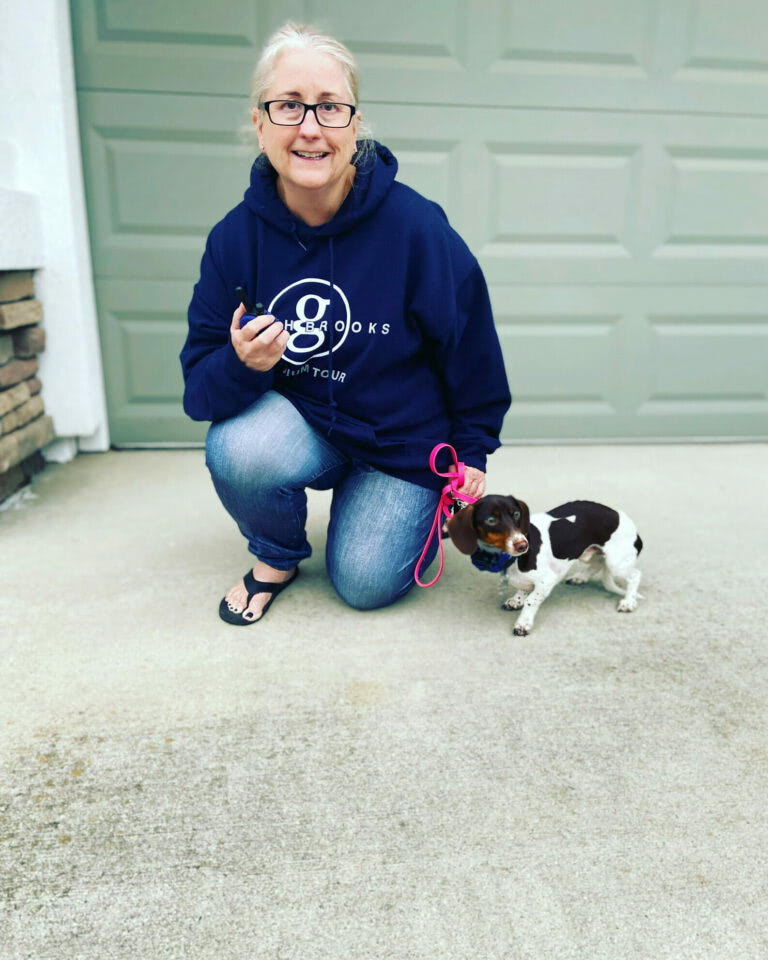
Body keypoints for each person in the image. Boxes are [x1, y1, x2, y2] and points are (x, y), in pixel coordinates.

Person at [180, 22, 511, 626]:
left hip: (400, 441)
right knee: (239, 448)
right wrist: (241, 364)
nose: (310, 127)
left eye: (330, 107)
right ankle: (277, 554)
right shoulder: (235, 239)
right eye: (289, 106)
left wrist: (473, 448)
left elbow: (471, 348)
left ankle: (400, 504)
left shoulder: (416, 228)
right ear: (260, 123)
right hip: (306, 420)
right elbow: (199, 393)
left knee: (363, 585)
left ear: (355, 124)